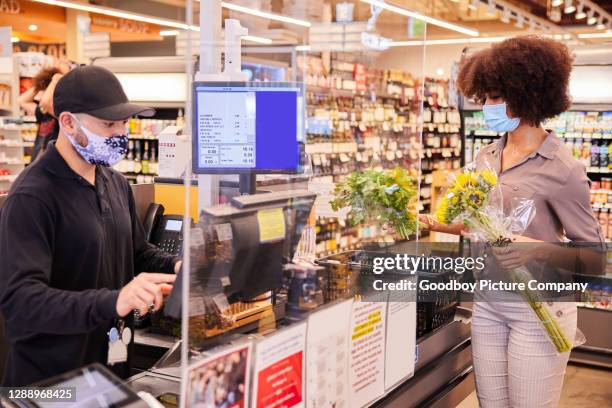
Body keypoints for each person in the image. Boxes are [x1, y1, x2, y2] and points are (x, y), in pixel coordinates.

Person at [420, 36, 605, 407]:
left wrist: (534, 250)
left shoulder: (563, 169)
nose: (487, 106)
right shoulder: (486, 155)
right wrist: (436, 224)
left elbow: (595, 258)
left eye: (495, 97)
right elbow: (480, 223)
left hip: (538, 307)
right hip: (488, 301)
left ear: (528, 95)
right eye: (485, 97)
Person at [0, 65, 181, 386]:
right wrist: (113, 301)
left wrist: (178, 265)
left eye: (124, 123)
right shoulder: (32, 197)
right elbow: (21, 301)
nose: (120, 133)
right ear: (68, 121)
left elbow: (136, 253)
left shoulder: (114, 183)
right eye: (108, 123)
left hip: (109, 370)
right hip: (50, 385)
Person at [18, 65, 66, 161]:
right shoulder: (43, 112)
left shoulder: (59, 111)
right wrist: (40, 85)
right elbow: (21, 101)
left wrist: (55, 81)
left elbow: (45, 102)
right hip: (38, 157)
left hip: (53, 161)